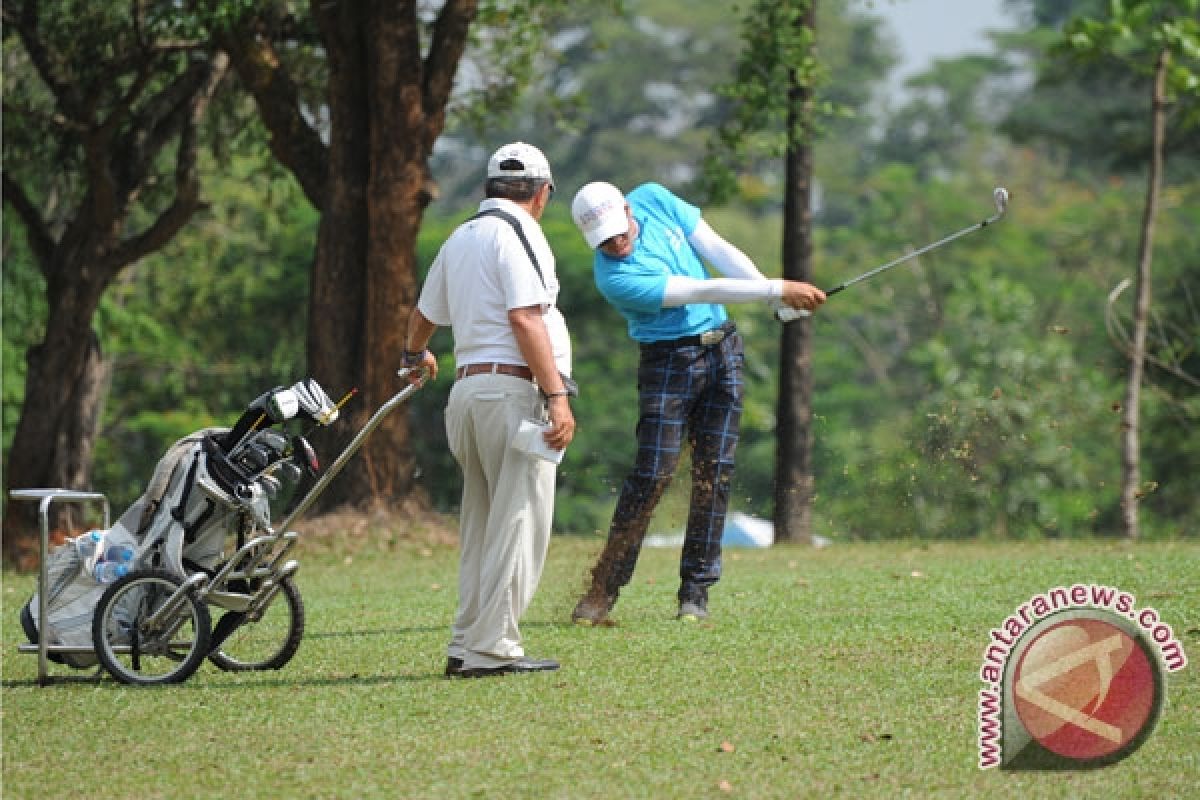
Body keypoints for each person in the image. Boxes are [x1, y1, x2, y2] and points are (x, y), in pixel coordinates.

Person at [568, 180, 825, 625]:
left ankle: (695, 593)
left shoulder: (655, 198)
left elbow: (716, 247)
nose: (615, 244)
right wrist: (776, 291)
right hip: (669, 363)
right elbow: (698, 290)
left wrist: (769, 294)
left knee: (715, 472)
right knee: (652, 473)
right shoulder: (615, 278)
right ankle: (603, 589)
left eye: (619, 232)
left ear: (629, 210)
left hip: (723, 352)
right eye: (603, 241)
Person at [402, 142, 575, 677]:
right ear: (541, 193)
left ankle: (465, 643)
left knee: (481, 522)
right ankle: (491, 649)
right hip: (513, 395)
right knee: (517, 522)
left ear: (489, 188)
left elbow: (425, 313)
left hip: (468, 395)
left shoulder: (462, 236)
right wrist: (557, 396)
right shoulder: (520, 233)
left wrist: (411, 355)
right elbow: (525, 319)